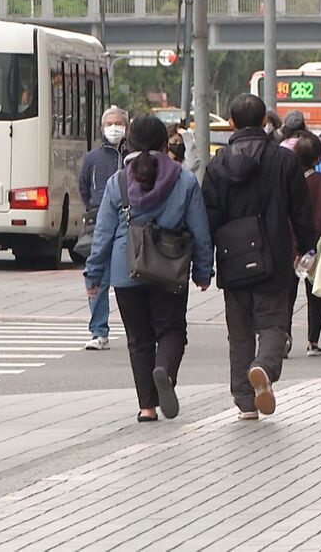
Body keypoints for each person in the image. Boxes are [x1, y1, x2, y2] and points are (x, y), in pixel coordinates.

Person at [83, 116, 214, 422]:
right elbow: (199, 229)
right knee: (171, 330)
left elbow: (102, 234)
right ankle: (165, 373)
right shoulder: (184, 180)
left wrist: (93, 276)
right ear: (164, 143)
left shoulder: (118, 181)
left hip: (126, 270)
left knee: (138, 339)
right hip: (170, 269)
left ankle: (147, 407)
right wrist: (203, 272)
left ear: (130, 143)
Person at [203, 93, 316, 421]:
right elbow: (301, 210)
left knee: (238, 331)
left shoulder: (218, 163)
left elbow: (208, 215)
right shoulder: (284, 160)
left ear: (231, 123)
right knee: (273, 322)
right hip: (274, 255)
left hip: (232, 258)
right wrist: (307, 247)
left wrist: (204, 260)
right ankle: (263, 366)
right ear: (265, 121)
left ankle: (245, 402)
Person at [78, 106, 129, 350]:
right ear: (101, 128)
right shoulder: (92, 158)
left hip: (129, 221)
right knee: (97, 272)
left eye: (118, 123)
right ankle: (99, 331)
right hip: (100, 217)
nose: (114, 127)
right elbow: (84, 188)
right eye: (109, 124)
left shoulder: (132, 156)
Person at [286, 131, 321, 357]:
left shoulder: (286, 181)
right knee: (316, 294)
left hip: (289, 244)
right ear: (317, 158)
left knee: (286, 295)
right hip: (317, 246)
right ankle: (313, 341)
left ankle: (284, 337)